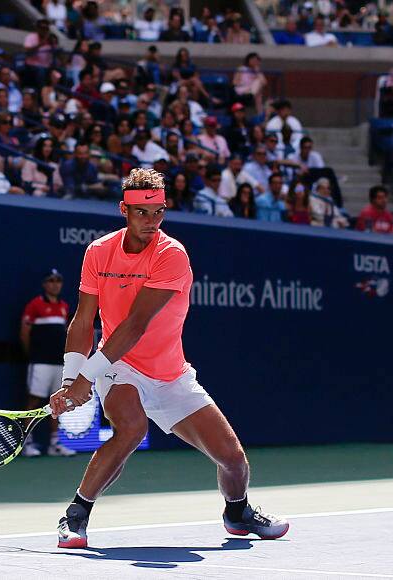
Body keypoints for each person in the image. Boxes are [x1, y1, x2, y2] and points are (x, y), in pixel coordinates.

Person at [50, 168, 289, 548]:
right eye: (141, 212)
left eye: (157, 212)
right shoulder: (98, 252)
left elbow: (136, 325)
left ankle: (238, 511)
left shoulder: (171, 255)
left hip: (170, 373)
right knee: (131, 429)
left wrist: (85, 379)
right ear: (123, 210)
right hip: (119, 364)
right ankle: (75, 516)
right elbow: (82, 321)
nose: (150, 221)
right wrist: (70, 378)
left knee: (233, 459)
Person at [21, 270, 78, 457]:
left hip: (58, 363)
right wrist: (32, 355)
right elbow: (24, 332)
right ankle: (26, 443)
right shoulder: (35, 304)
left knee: (58, 402)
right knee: (34, 400)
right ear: (45, 284)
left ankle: (54, 444)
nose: (55, 284)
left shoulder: (63, 306)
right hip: (40, 362)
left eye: (58, 281)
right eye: (51, 281)